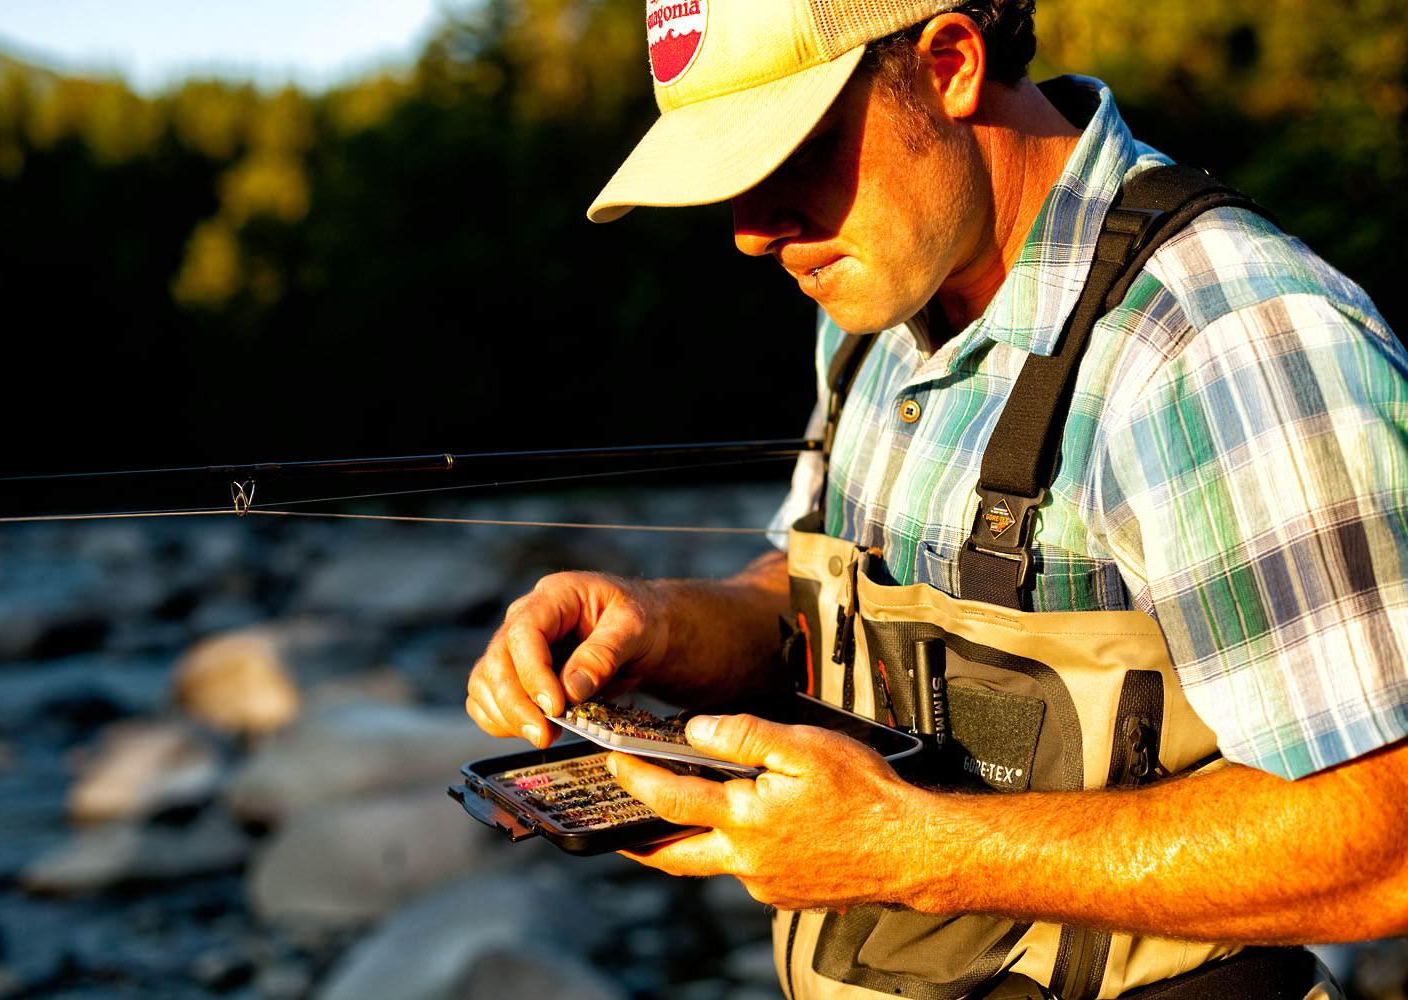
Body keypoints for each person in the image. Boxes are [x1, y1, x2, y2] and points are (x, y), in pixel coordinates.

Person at [466, 1, 1408, 997]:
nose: (751, 232)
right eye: (732, 182)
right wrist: (660, 625)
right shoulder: (873, 305)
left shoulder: (1223, 339)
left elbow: (1387, 834)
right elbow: (814, 600)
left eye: (790, 158)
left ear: (951, 65)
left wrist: (911, 848)